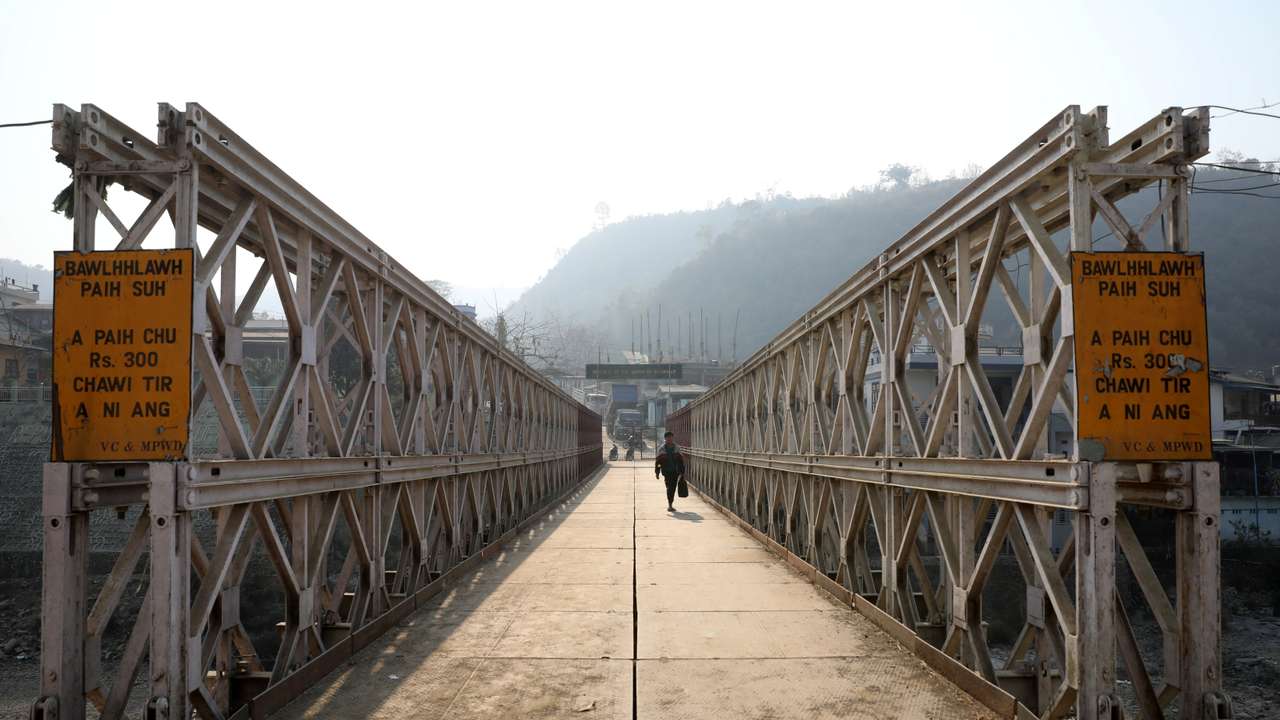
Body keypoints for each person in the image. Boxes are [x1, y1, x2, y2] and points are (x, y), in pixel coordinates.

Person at [654, 431, 686, 512]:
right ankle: (670, 504)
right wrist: (657, 472)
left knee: (673, 488)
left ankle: (670, 504)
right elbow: (658, 462)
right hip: (666, 471)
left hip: (675, 471)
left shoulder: (677, 448)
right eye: (668, 438)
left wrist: (682, 472)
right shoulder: (662, 449)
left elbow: (681, 461)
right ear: (665, 438)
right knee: (669, 487)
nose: (670, 439)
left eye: (671, 437)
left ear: (673, 438)